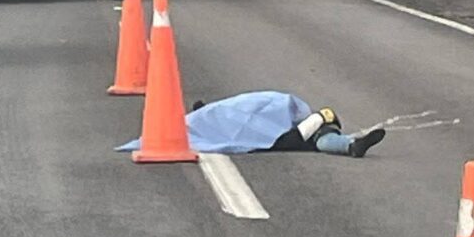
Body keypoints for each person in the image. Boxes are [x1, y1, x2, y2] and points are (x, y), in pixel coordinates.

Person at [116, 91, 386, 158]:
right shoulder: (203, 117)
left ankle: (346, 141)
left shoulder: (202, 117)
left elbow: (213, 115)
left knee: (308, 139)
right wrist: (320, 118)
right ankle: (347, 143)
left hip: (277, 111)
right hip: (279, 111)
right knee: (308, 139)